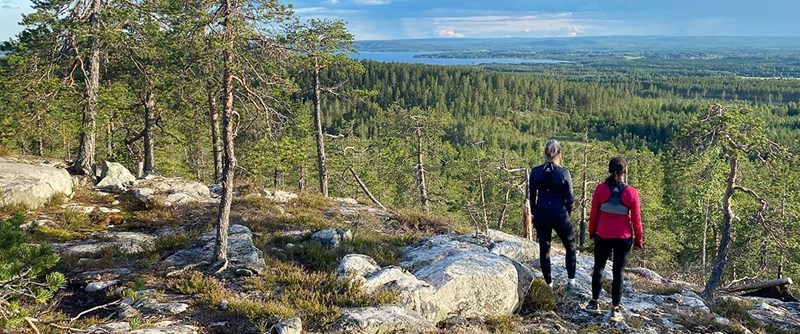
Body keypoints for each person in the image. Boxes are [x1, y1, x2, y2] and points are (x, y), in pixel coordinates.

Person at [585, 156, 644, 322]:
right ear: (624, 172)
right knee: (618, 273)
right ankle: (615, 309)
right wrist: (639, 239)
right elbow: (636, 220)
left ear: (610, 170)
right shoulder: (631, 192)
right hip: (623, 237)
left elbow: (594, 214)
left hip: (603, 234)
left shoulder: (601, 189)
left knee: (599, 268)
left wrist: (591, 232)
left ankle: (594, 303)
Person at [529, 139, 577, 289]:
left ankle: (549, 284)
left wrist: (534, 214)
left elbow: (531, 197)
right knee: (570, 246)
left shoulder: (536, 171)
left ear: (545, 153)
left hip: (542, 212)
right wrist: (567, 214)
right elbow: (570, 198)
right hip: (559, 213)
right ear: (559, 154)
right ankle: (571, 281)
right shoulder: (563, 172)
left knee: (545, 249)